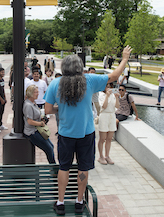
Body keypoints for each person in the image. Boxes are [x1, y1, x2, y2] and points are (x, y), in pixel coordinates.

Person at [44, 46, 132, 215]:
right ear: (80, 67)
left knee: (64, 168)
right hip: (86, 134)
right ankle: (79, 201)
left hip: (65, 135)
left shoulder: (55, 83)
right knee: (83, 168)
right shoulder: (89, 81)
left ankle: (60, 202)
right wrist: (125, 59)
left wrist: (60, 110)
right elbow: (114, 76)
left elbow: (48, 110)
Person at [23, 85, 55, 164]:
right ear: (30, 93)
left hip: (36, 129)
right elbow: (29, 121)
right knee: (49, 149)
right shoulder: (28, 105)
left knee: (51, 146)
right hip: (32, 132)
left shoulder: (33, 102)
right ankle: (54, 168)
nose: (38, 93)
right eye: (36, 92)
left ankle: (53, 167)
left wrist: (42, 119)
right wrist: (41, 123)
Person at [97, 83, 119, 165]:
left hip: (112, 116)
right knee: (102, 138)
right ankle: (101, 156)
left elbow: (117, 106)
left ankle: (107, 155)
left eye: (110, 86)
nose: (108, 88)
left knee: (109, 138)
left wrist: (116, 97)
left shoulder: (113, 95)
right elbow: (104, 106)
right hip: (104, 116)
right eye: (107, 86)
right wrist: (107, 95)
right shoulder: (101, 95)